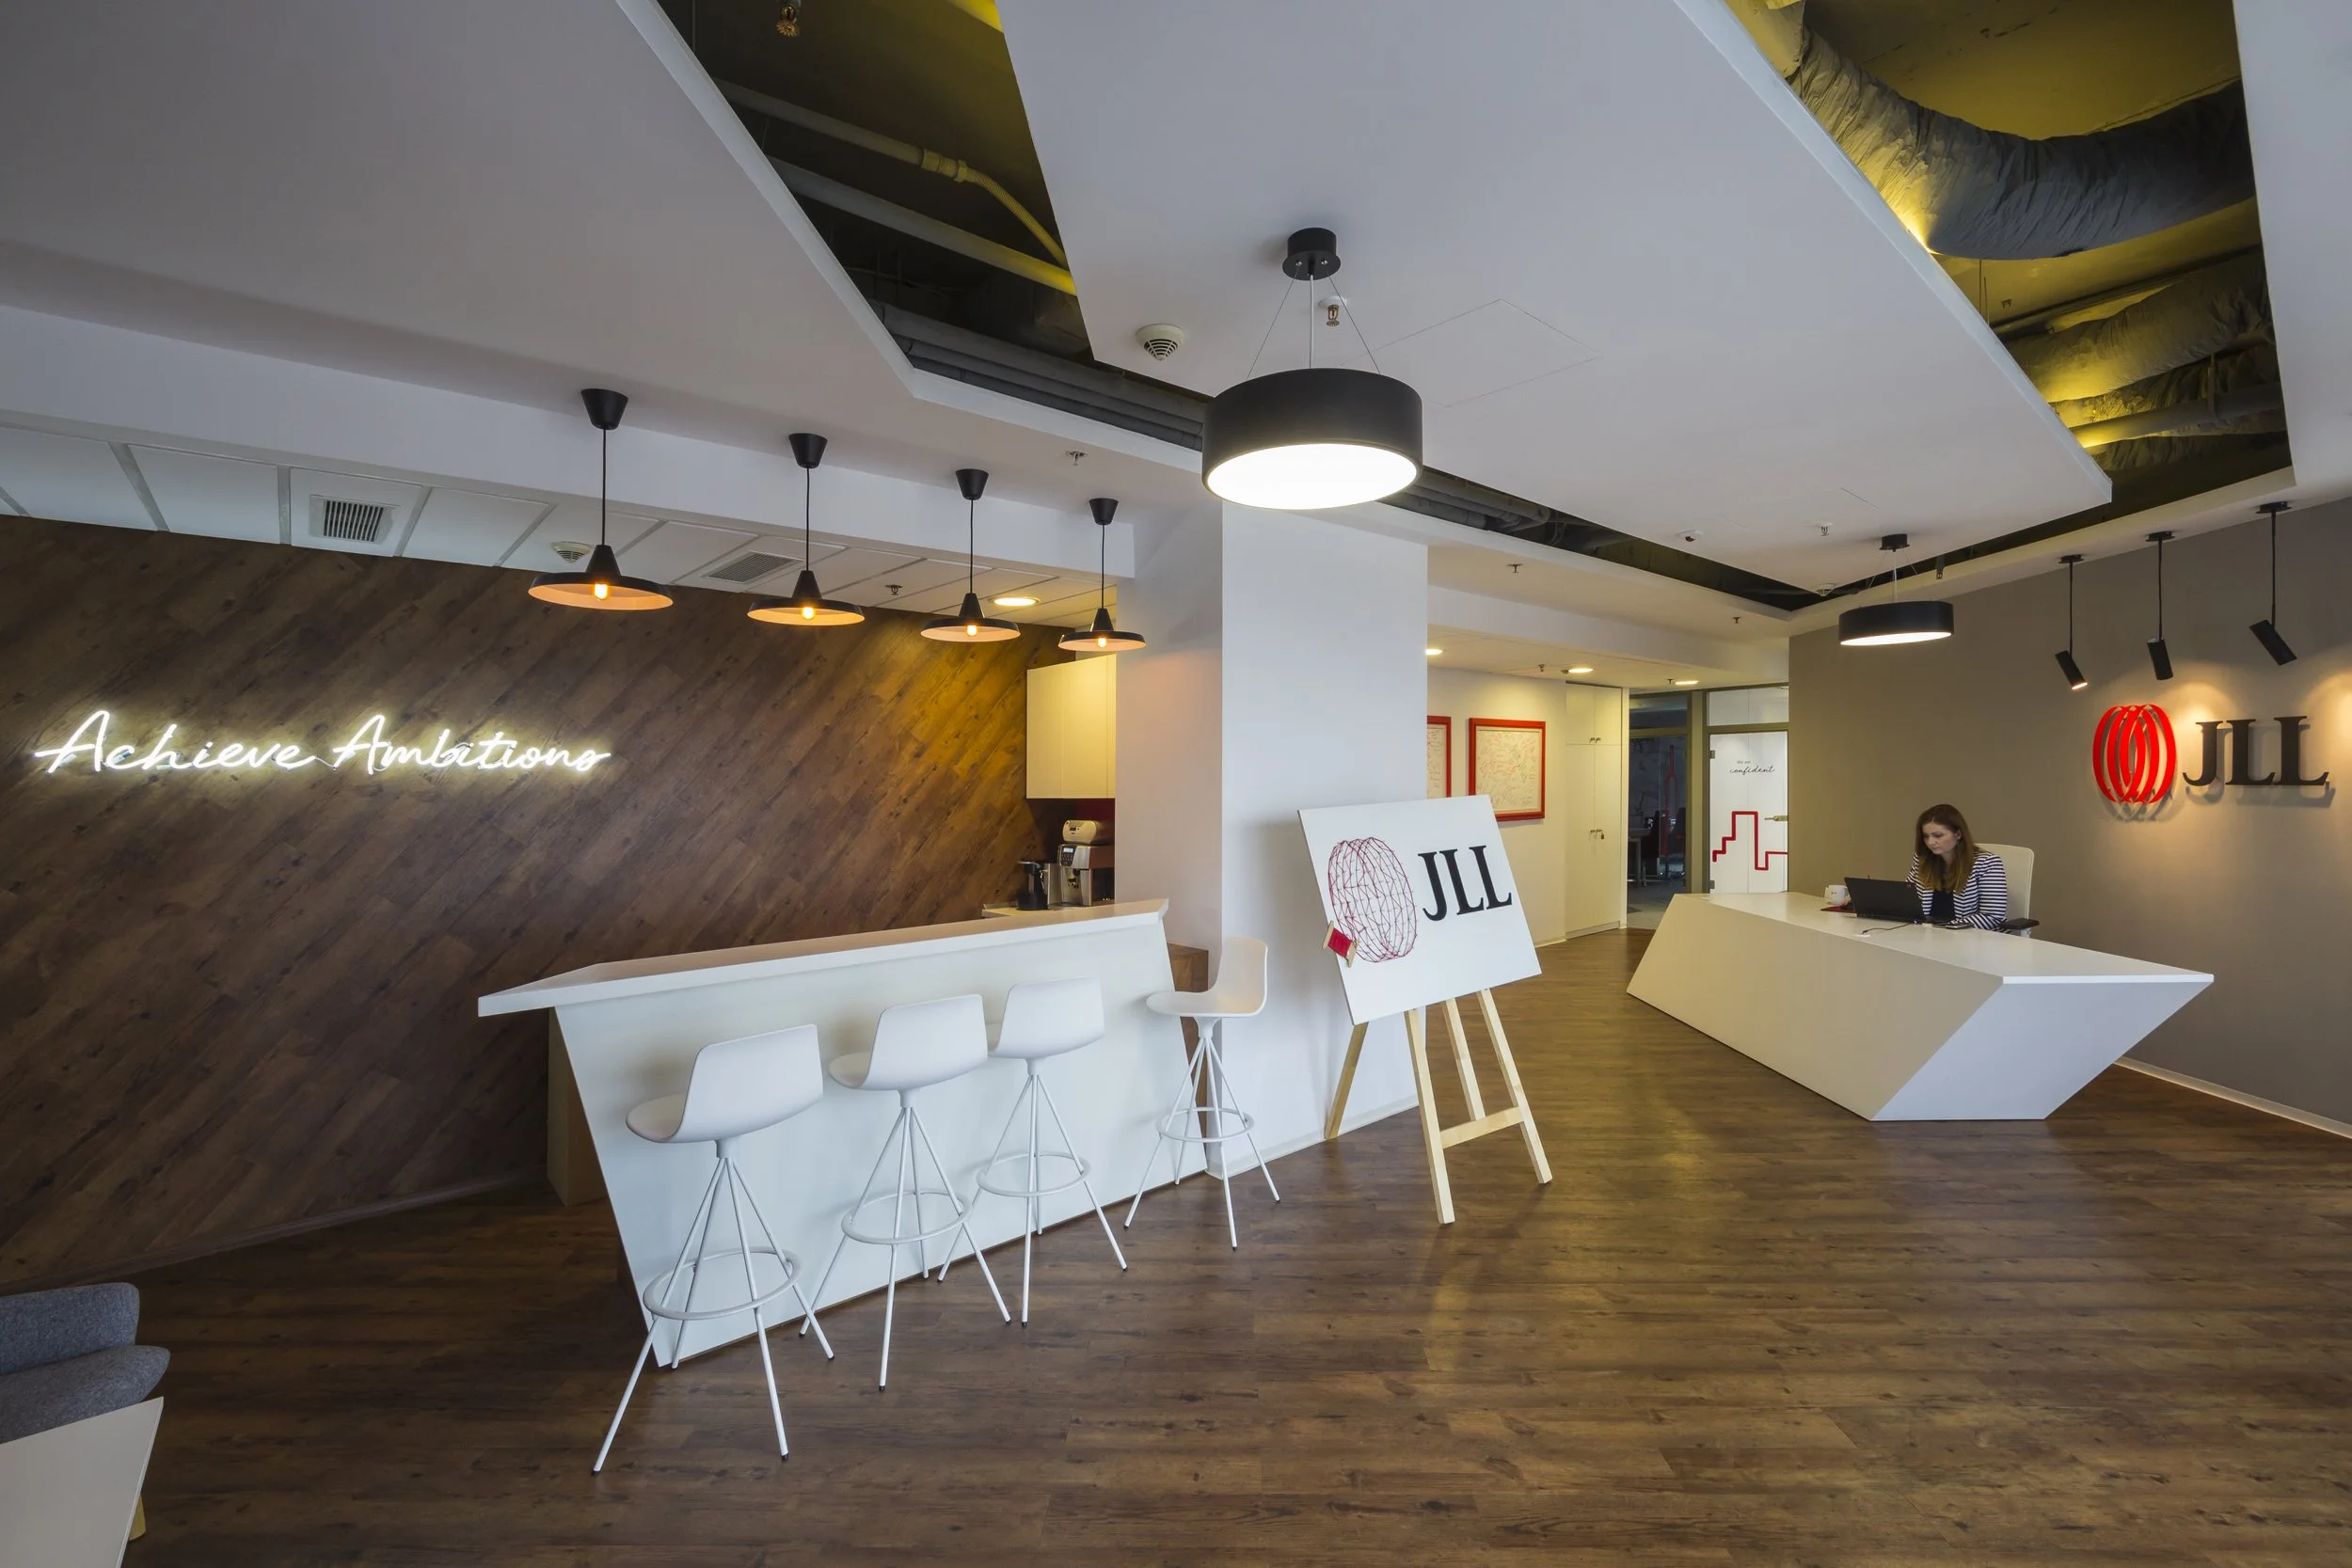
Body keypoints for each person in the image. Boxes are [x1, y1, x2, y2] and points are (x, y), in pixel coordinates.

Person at [1911, 804, 2009, 929]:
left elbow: (1992, 916)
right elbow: (1909, 901)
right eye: (1926, 836)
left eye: (1938, 835)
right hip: (1930, 934)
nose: (1930, 842)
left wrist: (1947, 928)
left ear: (1958, 834)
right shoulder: (1922, 860)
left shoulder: (1986, 863)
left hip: (1973, 936)